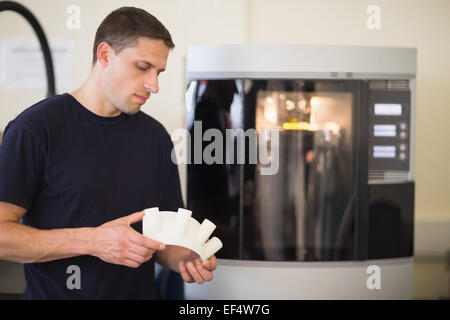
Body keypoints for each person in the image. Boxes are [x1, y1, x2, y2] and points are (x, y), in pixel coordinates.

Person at [0, 6, 216, 299]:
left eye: (159, 72)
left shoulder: (155, 137)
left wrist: (185, 257)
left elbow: (163, 239)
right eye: (143, 67)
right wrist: (92, 241)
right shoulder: (36, 129)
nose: (154, 85)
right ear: (104, 55)